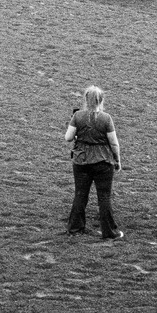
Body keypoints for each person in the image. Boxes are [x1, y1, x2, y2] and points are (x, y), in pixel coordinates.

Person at [64, 85, 123, 241]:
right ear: (101, 100)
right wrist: (117, 160)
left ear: (86, 99)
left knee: (80, 195)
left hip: (81, 160)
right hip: (103, 161)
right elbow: (114, 143)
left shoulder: (77, 116)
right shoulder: (106, 118)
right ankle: (109, 232)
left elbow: (68, 138)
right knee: (104, 197)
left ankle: (75, 228)